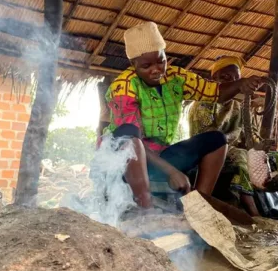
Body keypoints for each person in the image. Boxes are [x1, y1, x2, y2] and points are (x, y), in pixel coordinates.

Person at [102, 22, 264, 209]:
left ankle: (198, 206)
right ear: (133, 64)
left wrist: (240, 84)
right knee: (128, 139)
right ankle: (145, 210)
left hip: (160, 155)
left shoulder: (177, 78)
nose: (156, 69)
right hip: (123, 161)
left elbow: (215, 92)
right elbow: (130, 136)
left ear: (165, 56)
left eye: (160, 61)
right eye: (146, 65)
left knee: (216, 140)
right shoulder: (124, 86)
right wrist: (171, 171)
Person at [188, 56, 278, 224]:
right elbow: (205, 138)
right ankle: (253, 214)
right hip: (212, 153)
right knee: (240, 156)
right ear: (213, 80)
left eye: (236, 78)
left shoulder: (240, 105)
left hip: (237, 151)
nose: (233, 82)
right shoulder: (203, 103)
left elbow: (249, 136)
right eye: (225, 78)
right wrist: (240, 147)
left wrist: (259, 147)